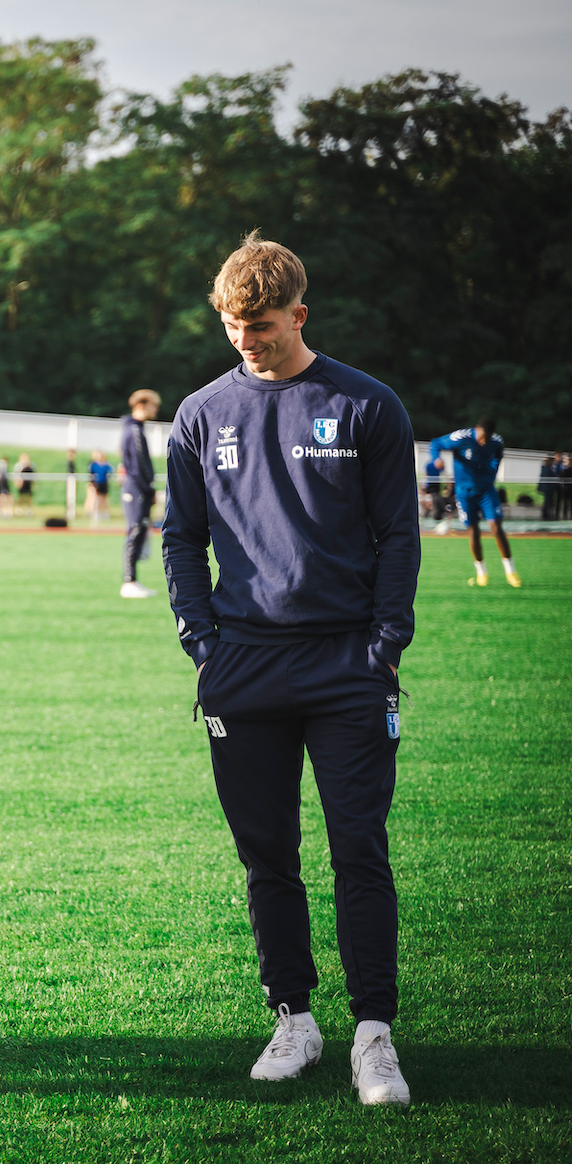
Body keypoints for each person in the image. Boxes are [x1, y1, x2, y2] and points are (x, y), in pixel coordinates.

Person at [162, 233, 418, 1107]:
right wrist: (202, 638)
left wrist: (387, 642)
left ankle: (373, 1035)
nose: (247, 340)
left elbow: (399, 535)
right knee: (267, 856)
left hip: (350, 664)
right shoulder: (200, 414)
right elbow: (181, 539)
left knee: (359, 849)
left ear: (298, 314)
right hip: (244, 667)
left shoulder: (367, 405)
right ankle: (294, 1018)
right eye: (234, 326)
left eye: (262, 325)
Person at [426, 419, 519, 587]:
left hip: (486, 491)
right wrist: (436, 459)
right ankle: (481, 572)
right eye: (482, 437)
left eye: (487, 438)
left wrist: (492, 473)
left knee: (497, 528)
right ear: (477, 430)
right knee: (473, 531)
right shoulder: (462, 437)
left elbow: (498, 456)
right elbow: (435, 443)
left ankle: (510, 571)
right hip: (464, 493)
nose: (484, 441)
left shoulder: (496, 442)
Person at [119, 389, 161, 598]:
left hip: (138, 489)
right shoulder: (134, 431)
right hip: (136, 489)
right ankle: (129, 581)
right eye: (154, 405)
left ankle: (132, 580)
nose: (156, 409)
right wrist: (149, 489)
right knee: (135, 532)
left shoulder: (136, 429)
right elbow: (139, 465)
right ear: (142, 405)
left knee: (139, 531)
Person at [87, 451, 113, 525]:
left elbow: (110, 472)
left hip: (104, 483)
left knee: (104, 498)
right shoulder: (93, 464)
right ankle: (94, 512)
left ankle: (103, 512)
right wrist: (92, 483)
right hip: (96, 483)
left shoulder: (106, 465)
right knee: (95, 498)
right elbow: (91, 473)